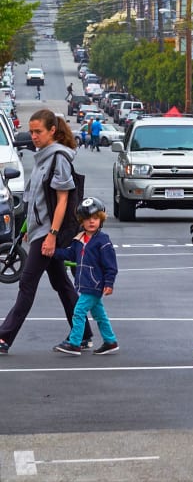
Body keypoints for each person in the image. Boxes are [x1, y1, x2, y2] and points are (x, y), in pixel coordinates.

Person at [0, 109, 92, 354]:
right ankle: (83, 334)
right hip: (40, 230)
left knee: (27, 284)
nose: (34, 136)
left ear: (52, 130)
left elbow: (63, 200)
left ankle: (4, 337)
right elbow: (39, 199)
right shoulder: (43, 157)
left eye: (38, 131)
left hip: (48, 233)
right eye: (31, 132)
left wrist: (51, 234)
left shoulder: (58, 158)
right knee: (61, 284)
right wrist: (30, 227)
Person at [52, 197, 119, 356]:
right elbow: (70, 254)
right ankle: (110, 341)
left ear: (101, 220)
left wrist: (109, 283)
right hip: (86, 284)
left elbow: (111, 265)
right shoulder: (79, 240)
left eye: (95, 218)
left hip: (94, 285)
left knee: (79, 311)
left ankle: (75, 343)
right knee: (99, 315)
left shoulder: (103, 241)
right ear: (82, 221)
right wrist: (53, 252)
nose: (91, 222)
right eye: (87, 219)